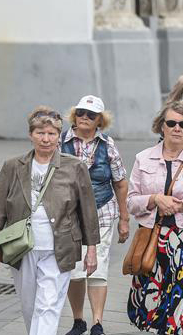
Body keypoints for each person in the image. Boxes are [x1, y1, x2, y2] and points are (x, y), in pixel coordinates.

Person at [0, 106, 100, 335]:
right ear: (31, 135)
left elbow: (88, 210)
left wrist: (92, 250)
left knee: (47, 306)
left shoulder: (74, 166)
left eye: (51, 134)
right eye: (40, 133)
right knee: (30, 307)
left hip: (60, 247)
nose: (46, 139)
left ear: (59, 137)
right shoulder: (13, 166)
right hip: (21, 246)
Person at [126, 101, 183, 334]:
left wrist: (180, 206)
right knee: (155, 298)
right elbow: (131, 202)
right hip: (152, 238)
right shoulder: (143, 158)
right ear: (162, 127)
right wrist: (155, 199)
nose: (177, 128)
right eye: (171, 123)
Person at [60, 96, 129, 335]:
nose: (85, 118)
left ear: (100, 120)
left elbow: (120, 183)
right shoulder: (61, 142)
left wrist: (124, 218)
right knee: (75, 270)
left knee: (97, 268)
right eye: (81, 113)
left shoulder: (108, 145)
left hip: (103, 212)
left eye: (91, 115)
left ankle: (97, 323)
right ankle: (78, 320)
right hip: (70, 216)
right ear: (74, 115)